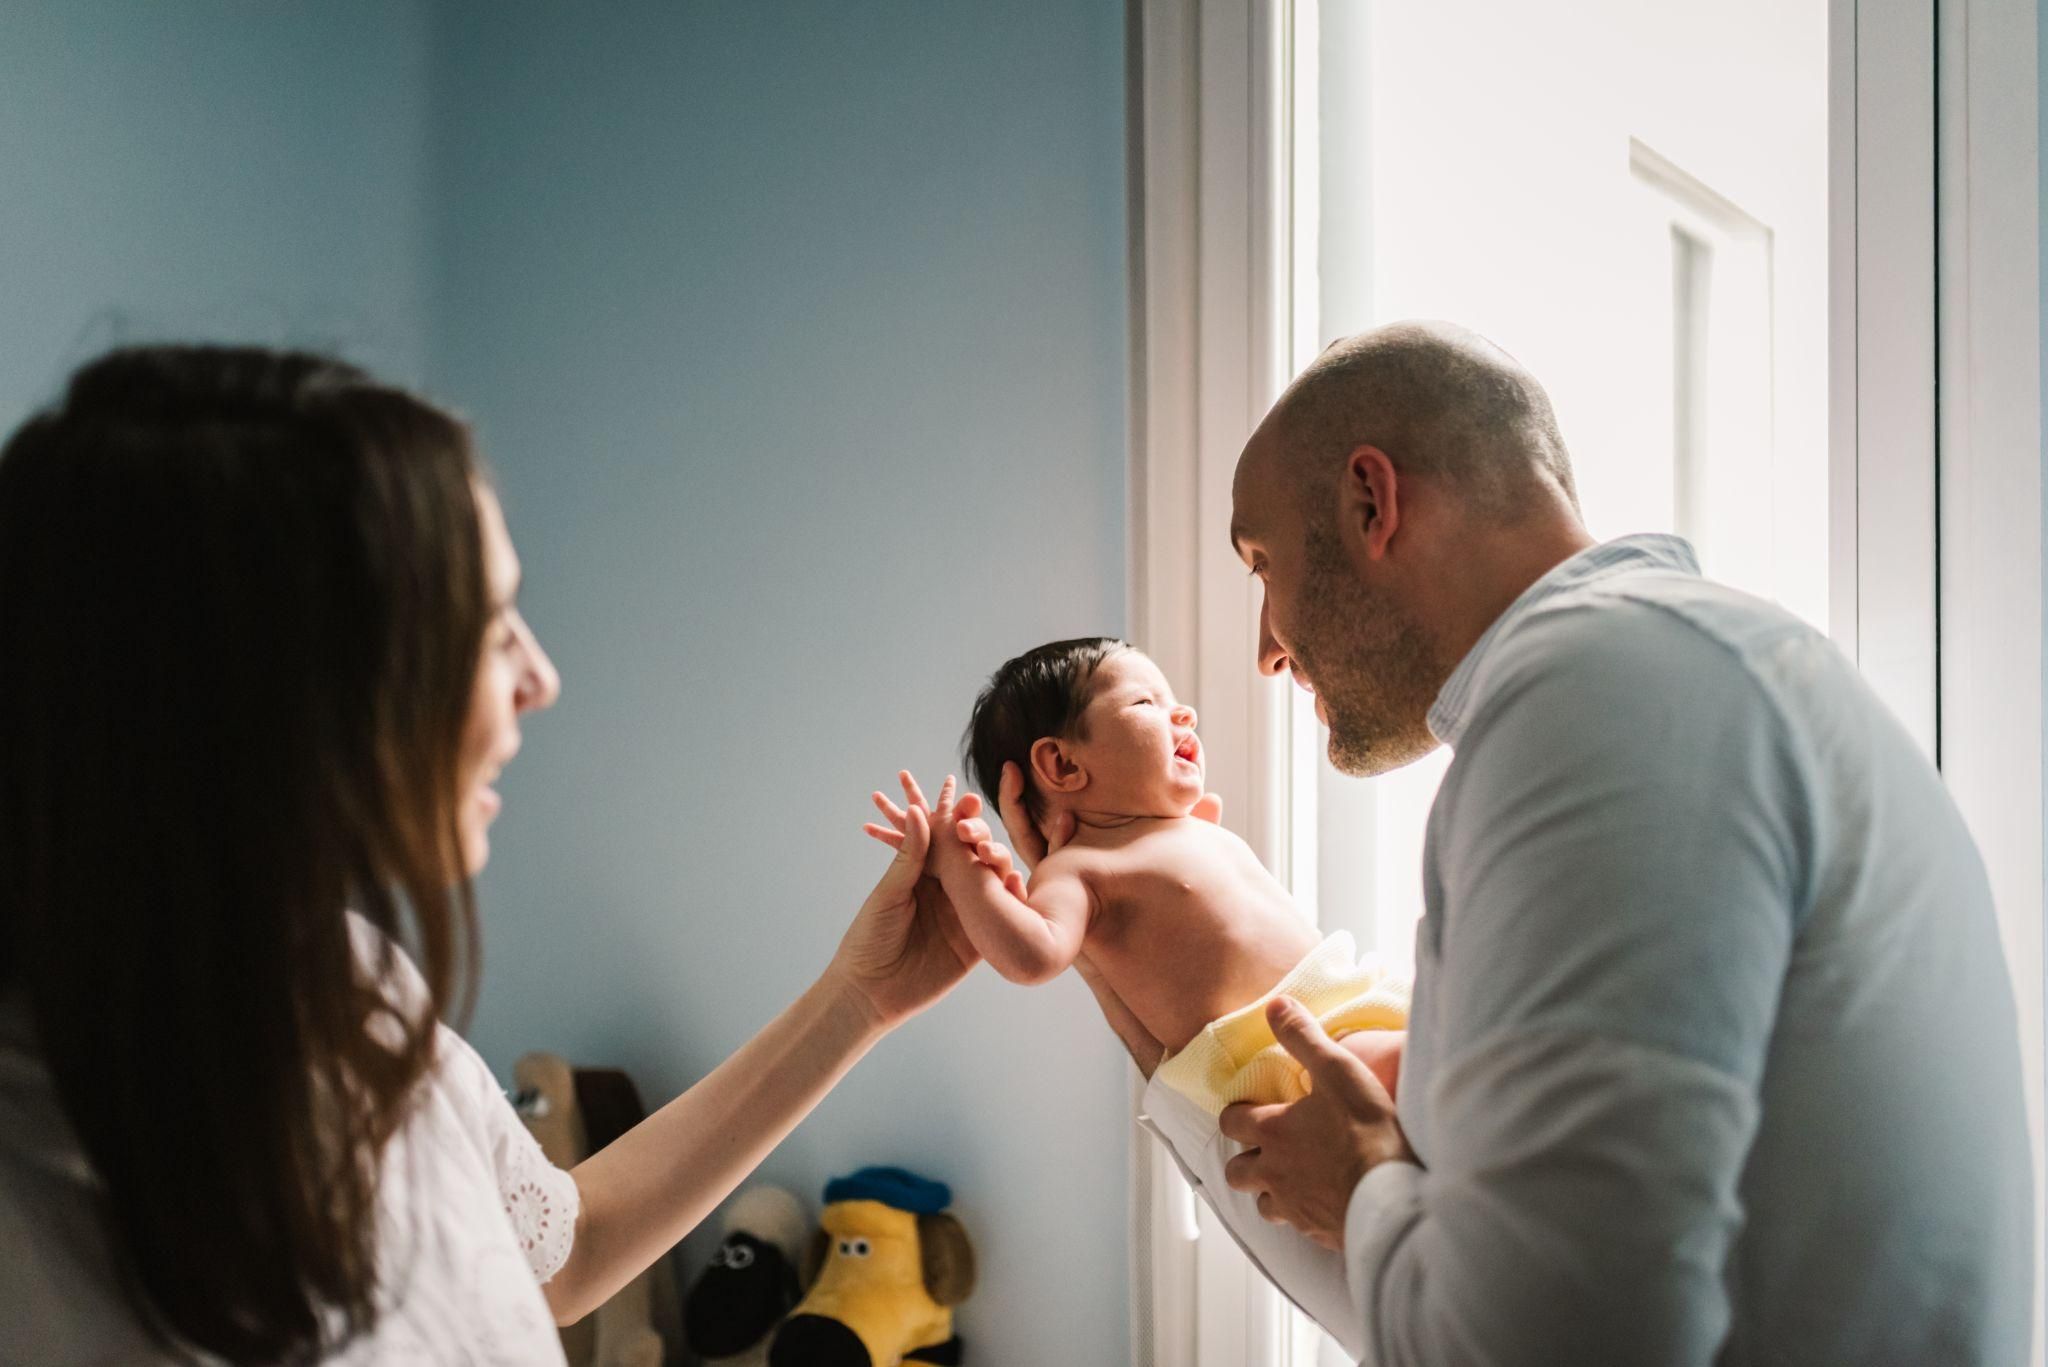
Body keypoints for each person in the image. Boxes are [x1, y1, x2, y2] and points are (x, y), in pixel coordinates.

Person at [983, 320, 2035, 1364]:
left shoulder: (1603, 697)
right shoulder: (1666, 674)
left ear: (1368, 502)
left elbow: (1550, 1335)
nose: (1265, 648)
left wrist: (1362, 1192)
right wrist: (1133, 980)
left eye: (1262, 564)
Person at [0, 346, 980, 1364]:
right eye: (482, 621)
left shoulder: (349, 979)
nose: (540, 676)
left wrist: (858, 999)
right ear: (292, 676)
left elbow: (566, 1248)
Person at [872, 636, 1407, 1115]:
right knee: (1418, 1070)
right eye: (1148, 702)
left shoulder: (1181, 827)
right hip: (1278, 1056)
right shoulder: (1077, 870)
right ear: (1062, 765)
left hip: (1348, 999)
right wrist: (962, 870)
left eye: (1174, 700)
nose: (1185, 714)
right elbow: (1030, 956)